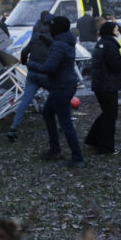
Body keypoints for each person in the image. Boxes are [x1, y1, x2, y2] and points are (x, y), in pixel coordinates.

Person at [26, 16, 84, 168]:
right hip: (65, 85)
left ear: (56, 29)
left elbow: (49, 68)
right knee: (47, 113)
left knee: (65, 122)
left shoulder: (59, 45)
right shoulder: (67, 40)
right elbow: (60, 52)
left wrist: (31, 65)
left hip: (61, 87)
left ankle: (77, 158)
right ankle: (54, 149)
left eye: (51, 26)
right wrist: (49, 43)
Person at [84, 22, 121, 155]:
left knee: (107, 113)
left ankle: (92, 139)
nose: (118, 31)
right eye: (117, 29)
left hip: (100, 84)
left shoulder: (101, 43)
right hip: (107, 85)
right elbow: (116, 65)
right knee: (110, 116)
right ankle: (106, 147)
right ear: (112, 31)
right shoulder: (110, 45)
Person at [7, 11, 53, 142]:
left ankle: (13, 128)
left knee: (25, 101)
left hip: (32, 73)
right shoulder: (53, 39)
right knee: (57, 97)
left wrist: (26, 62)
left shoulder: (34, 37)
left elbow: (24, 52)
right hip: (46, 73)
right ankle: (62, 124)